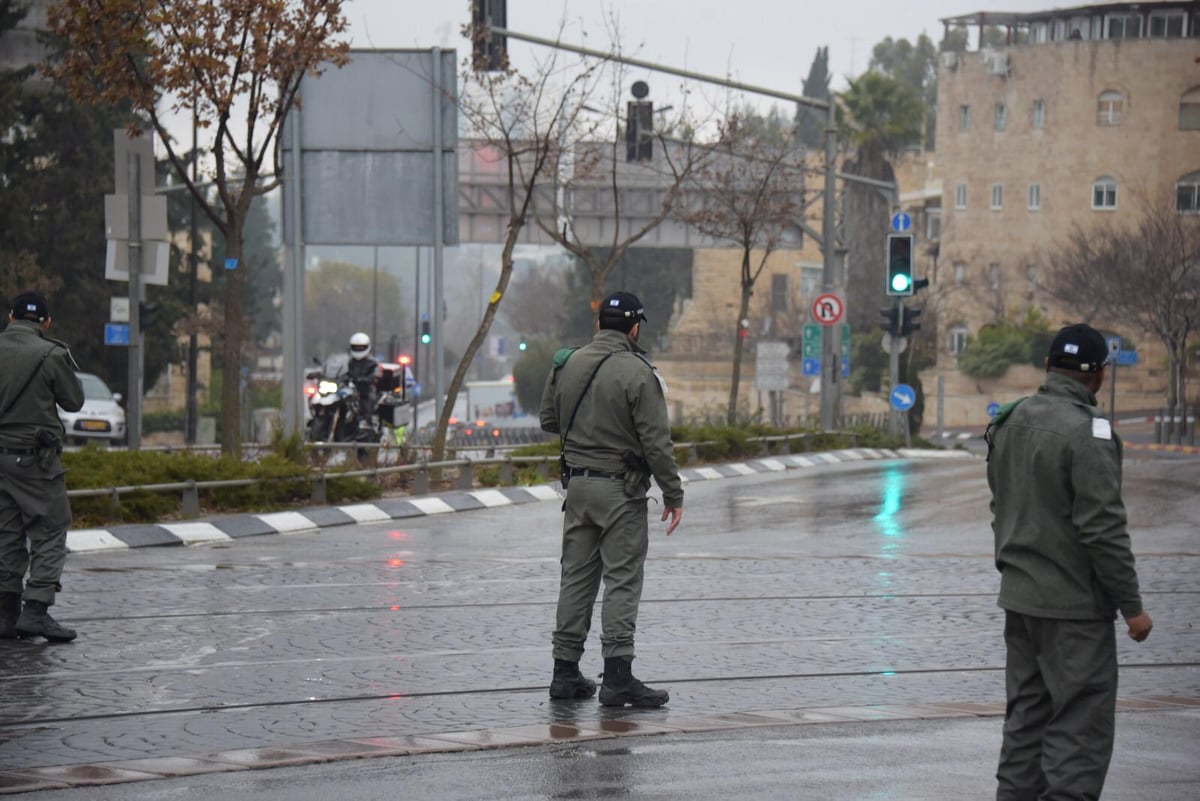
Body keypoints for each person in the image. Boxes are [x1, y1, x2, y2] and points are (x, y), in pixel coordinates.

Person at [985, 323, 1153, 801]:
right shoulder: (1090, 433)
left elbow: (1001, 507)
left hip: (1021, 603)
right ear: (1099, 375)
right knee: (1078, 730)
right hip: (1074, 612)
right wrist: (1132, 607)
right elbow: (1103, 530)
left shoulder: (1010, 421)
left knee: (1025, 724)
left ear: (1046, 367)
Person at [539, 291, 683, 708]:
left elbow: (550, 420)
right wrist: (673, 493)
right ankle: (618, 677)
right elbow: (657, 443)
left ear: (599, 324)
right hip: (621, 491)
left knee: (576, 578)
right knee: (621, 577)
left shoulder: (567, 363)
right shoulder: (638, 372)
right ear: (634, 328)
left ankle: (564, 672)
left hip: (578, 488)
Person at [0, 292, 85, 643]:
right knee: (51, 529)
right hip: (37, 461)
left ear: (10, 317)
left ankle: (5, 615)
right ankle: (35, 610)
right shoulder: (52, 354)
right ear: (46, 323)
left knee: (6, 532)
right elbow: (74, 401)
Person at [346, 331, 379, 431]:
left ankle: (368, 423)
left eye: (361, 348)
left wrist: (369, 378)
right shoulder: (350, 362)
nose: (358, 350)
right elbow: (344, 372)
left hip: (366, 389)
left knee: (367, 400)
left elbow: (377, 374)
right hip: (351, 388)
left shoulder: (372, 363)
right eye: (356, 347)